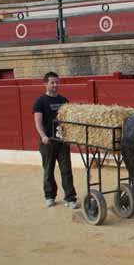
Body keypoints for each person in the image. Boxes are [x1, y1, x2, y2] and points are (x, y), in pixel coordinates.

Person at [32, 72, 78, 209]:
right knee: (48, 170)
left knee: (66, 170)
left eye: (57, 82)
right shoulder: (40, 102)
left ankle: (70, 198)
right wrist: (43, 136)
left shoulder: (64, 100)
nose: (55, 85)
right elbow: (38, 122)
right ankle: (49, 196)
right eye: (52, 83)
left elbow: (67, 121)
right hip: (48, 142)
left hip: (62, 141)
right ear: (45, 84)